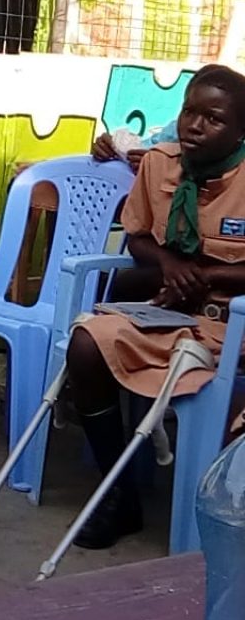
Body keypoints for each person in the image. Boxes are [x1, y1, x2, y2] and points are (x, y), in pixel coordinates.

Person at [67, 64, 245, 550]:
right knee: (86, 345)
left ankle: (221, 517)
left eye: (214, 118)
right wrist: (168, 264)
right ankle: (119, 496)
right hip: (169, 310)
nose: (195, 125)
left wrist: (206, 276)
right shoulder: (159, 163)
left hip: (231, 324)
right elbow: (139, 237)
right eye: (190, 111)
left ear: (240, 130)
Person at [92, 119, 179, 170]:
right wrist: (113, 145)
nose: (192, 126)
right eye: (187, 111)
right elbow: (141, 149)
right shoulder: (176, 130)